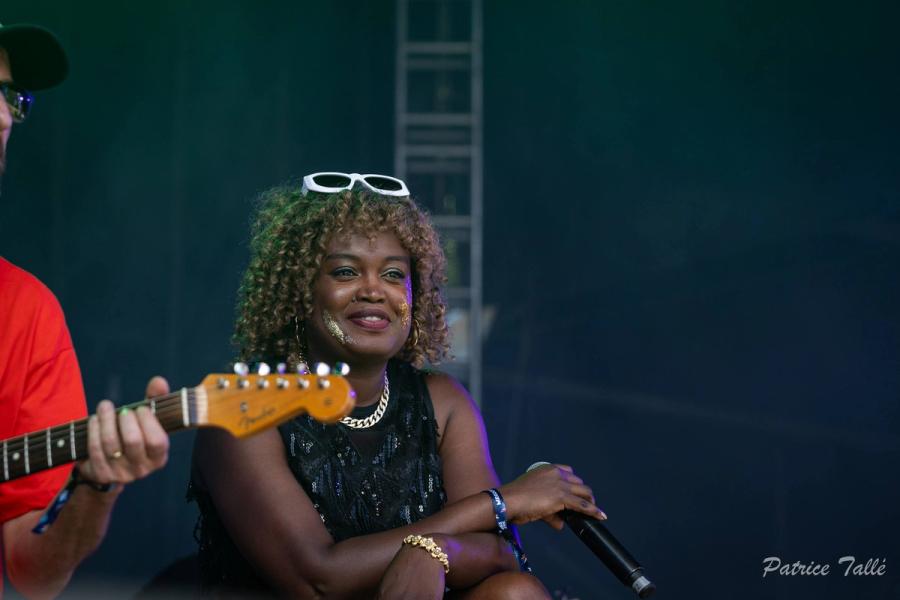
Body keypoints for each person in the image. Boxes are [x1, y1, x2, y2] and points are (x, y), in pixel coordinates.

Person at [187, 172, 605, 598]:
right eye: (345, 272)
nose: (373, 290)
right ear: (300, 292)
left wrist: (432, 551)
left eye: (392, 274)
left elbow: (500, 554)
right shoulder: (239, 408)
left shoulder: (442, 402)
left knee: (514, 592)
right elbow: (316, 581)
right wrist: (500, 503)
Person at [0, 22, 169, 598]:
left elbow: (35, 574)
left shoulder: (27, 313)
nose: (3, 118)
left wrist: (94, 490)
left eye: (8, 96)